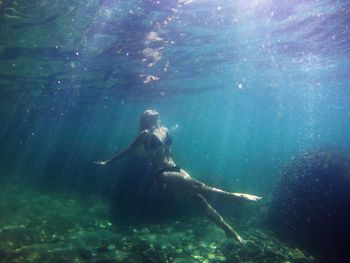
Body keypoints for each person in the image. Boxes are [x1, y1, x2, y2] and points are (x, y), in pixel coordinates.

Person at [95, 109, 261, 243]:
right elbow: (128, 151)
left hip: (176, 168)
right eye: (148, 111)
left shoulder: (164, 129)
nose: (153, 111)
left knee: (200, 200)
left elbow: (169, 151)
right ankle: (237, 198)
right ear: (145, 118)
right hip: (162, 173)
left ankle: (229, 231)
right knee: (200, 186)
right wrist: (107, 163)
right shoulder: (144, 134)